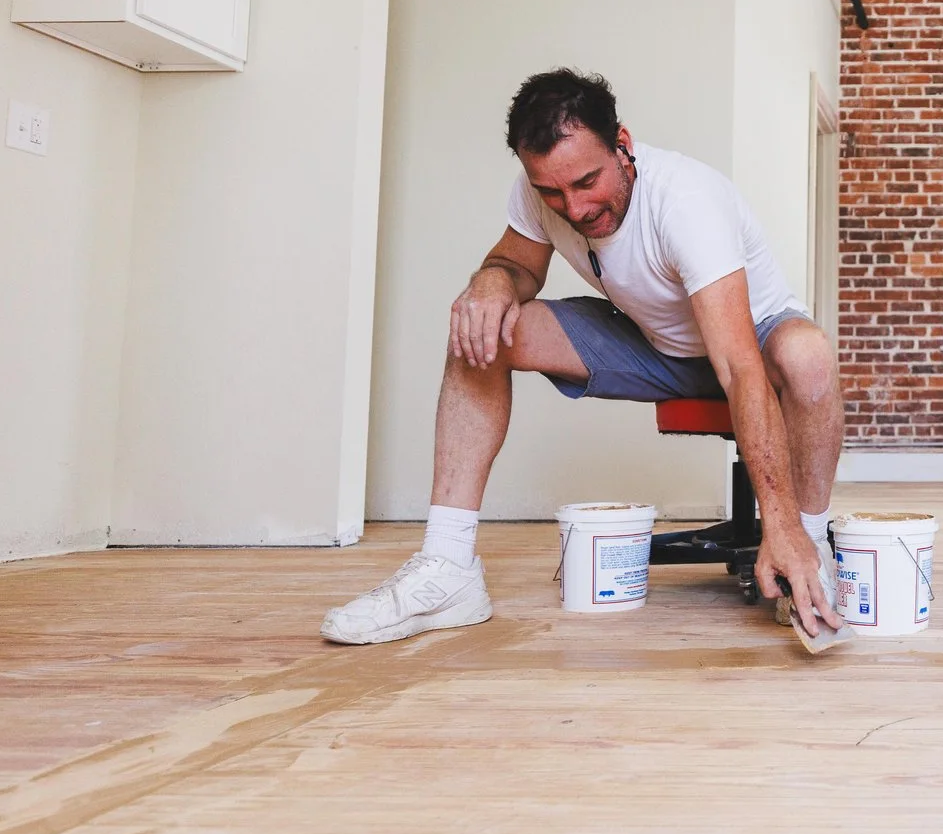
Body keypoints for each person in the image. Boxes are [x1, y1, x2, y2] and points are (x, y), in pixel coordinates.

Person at [322, 68, 844, 644]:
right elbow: (516, 265)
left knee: (808, 353)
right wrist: (493, 280)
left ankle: (809, 545)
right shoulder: (539, 192)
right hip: (654, 345)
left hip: (751, 341)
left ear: (622, 145)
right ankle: (449, 568)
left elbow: (740, 368)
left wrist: (782, 522)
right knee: (483, 325)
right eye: (552, 192)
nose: (573, 208)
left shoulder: (686, 201)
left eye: (587, 182)